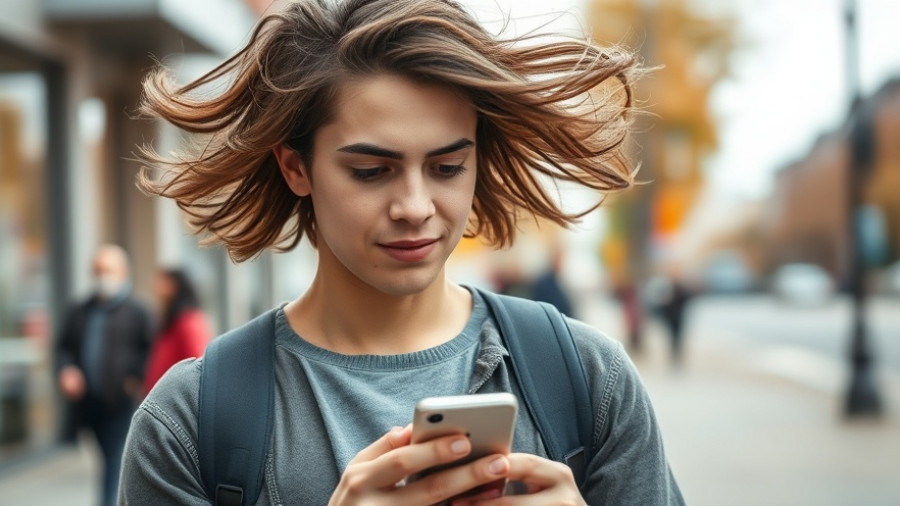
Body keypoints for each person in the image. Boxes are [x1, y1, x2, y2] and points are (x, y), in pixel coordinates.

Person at [121, 1, 685, 504]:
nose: (415, 206)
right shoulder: (189, 424)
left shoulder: (590, 380)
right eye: (371, 171)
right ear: (295, 167)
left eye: (446, 167)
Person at [55, 244, 153, 506]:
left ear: (123, 272)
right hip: (88, 403)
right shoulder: (80, 310)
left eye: (108, 271)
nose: (103, 277)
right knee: (107, 457)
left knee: (113, 459)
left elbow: (151, 350)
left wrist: (134, 379)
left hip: (120, 402)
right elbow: (63, 347)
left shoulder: (138, 312)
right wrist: (66, 370)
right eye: (97, 271)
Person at [143, 268, 212, 395]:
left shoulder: (189, 321)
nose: (156, 288)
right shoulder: (169, 321)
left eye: (163, 283)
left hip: (176, 401)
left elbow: (197, 364)